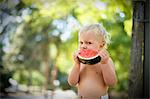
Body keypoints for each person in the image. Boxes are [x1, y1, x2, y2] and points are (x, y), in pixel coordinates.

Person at [68, 23, 117, 99]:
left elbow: (111, 83)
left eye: (89, 43)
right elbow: (72, 82)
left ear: (101, 45)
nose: (83, 46)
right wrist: (76, 65)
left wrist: (105, 64)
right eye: (81, 42)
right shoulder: (80, 62)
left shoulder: (106, 61)